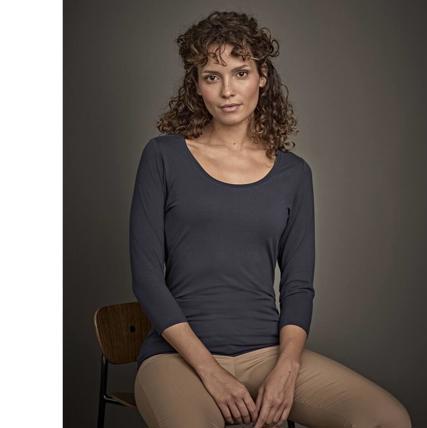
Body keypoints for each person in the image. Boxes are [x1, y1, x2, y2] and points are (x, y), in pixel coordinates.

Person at [129, 10, 412, 428]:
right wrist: (210, 371)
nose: (228, 90)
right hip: (177, 358)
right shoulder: (163, 157)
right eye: (212, 77)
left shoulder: (293, 174)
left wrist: (288, 367)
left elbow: (298, 286)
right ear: (197, 85)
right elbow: (147, 279)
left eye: (240, 73)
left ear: (262, 77)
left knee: (387, 419)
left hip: (267, 354)